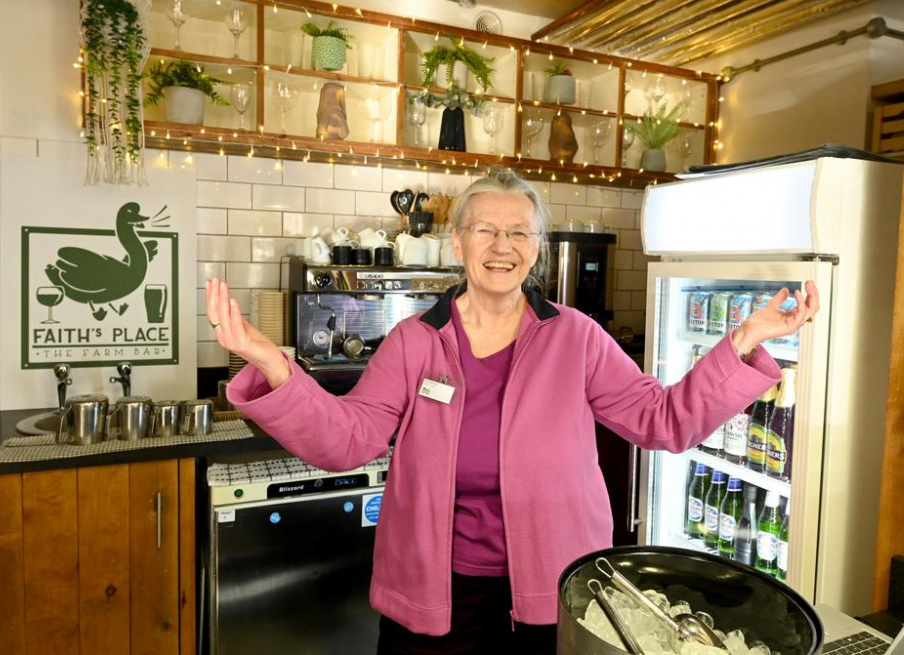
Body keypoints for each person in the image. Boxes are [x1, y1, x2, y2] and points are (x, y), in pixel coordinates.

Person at [205, 168, 819, 655]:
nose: (502, 246)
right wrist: (272, 362)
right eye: (485, 231)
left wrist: (742, 342)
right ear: (458, 243)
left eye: (519, 232)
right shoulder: (418, 341)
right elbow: (350, 438)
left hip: (552, 597)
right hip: (436, 598)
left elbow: (663, 420)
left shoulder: (575, 337)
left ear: (538, 249)